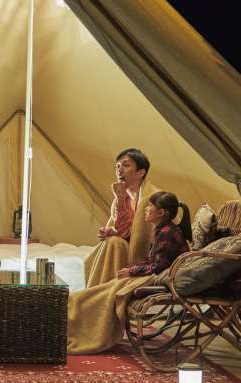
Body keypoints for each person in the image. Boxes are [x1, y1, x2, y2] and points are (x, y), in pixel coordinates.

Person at [67, 191, 192, 354]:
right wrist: (131, 270)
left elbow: (158, 266)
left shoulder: (167, 232)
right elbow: (153, 261)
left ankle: (85, 328)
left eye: (150, 206)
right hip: (155, 275)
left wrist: (132, 271)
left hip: (159, 279)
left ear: (161, 213)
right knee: (107, 288)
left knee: (108, 292)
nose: (146, 209)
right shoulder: (163, 229)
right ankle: (77, 312)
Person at [83, 148, 159, 288]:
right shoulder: (121, 198)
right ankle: (100, 290)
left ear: (141, 172)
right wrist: (110, 231)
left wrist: (117, 234)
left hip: (146, 256)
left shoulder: (155, 198)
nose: (119, 170)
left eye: (126, 165)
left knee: (114, 243)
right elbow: (122, 227)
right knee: (97, 253)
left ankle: (101, 292)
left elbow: (154, 235)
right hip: (125, 249)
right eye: (117, 166)